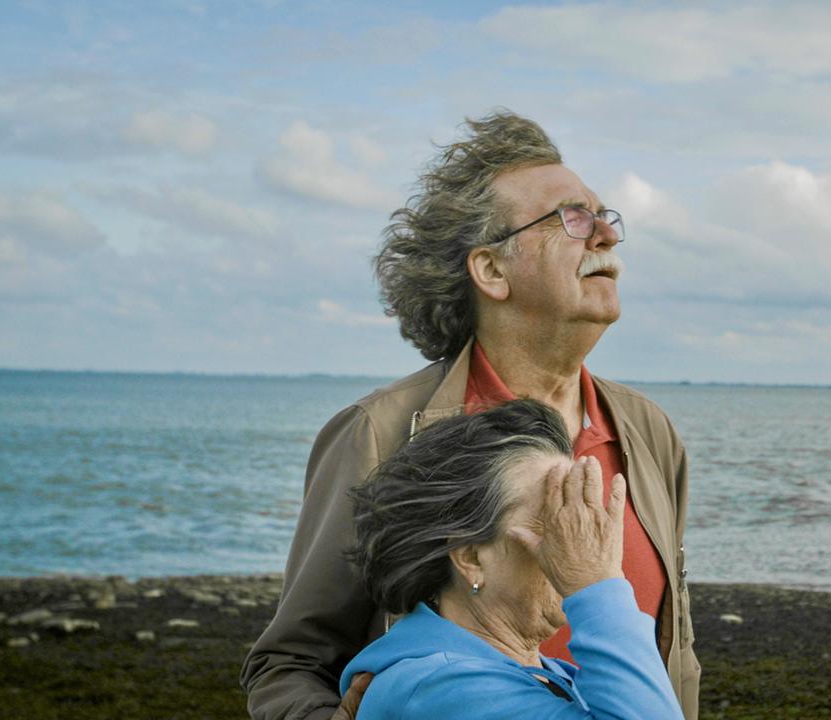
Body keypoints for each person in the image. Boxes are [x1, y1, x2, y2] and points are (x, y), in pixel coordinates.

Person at [240, 111, 699, 719]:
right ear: (490, 270)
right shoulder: (380, 431)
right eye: (572, 217)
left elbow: (671, 651)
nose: (606, 236)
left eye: (604, 215)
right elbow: (289, 663)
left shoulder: (648, 431)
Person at [340, 399, 682, 719]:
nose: (583, 540)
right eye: (556, 521)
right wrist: (597, 583)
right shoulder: (441, 686)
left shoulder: (545, 674)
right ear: (471, 556)